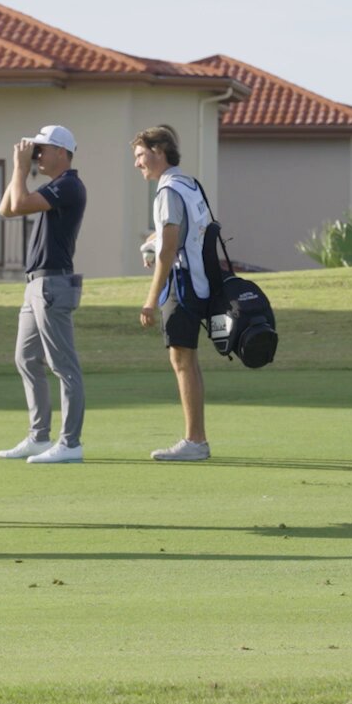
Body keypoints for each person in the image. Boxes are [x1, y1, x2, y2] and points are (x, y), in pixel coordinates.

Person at [0, 125, 87, 463]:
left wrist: (21, 169)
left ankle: (70, 443)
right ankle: (39, 437)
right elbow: (6, 209)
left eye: (42, 150)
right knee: (26, 359)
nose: (37, 156)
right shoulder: (54, 185)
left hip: (53, 284)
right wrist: (17, 168)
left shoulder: (69, 185)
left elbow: (19, 203)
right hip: (36, 285)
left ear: (61, 152)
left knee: (64, 366)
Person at [132, 125, 211, 461]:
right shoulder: (189, 184)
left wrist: (151, 300)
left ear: (159, 151)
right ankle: (197, 439)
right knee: (187, 359)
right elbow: (187, 232)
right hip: (200, 280)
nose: (137, 163)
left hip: (181, 283)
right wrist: (155, 239)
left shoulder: (166, 191)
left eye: (141, 155)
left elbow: (169, 249)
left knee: (181, 360)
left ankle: (195, 441)